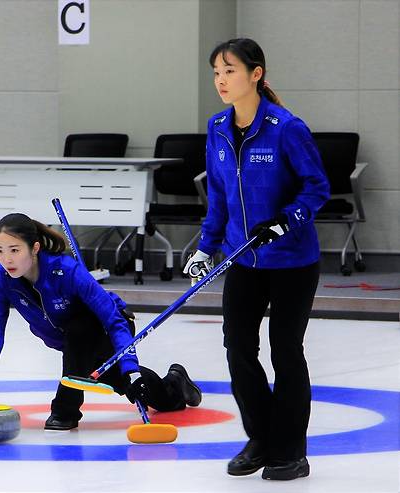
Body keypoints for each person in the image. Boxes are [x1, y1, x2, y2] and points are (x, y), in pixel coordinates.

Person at [183, 38, 329, 480]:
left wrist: (286, 221)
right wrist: (206, 247)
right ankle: (261, 438)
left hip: (292, 262)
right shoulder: (217, 128)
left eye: (230, 71)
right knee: (238, 348)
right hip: (243, 260)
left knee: (286, 351)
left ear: (256, 74)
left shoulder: (287, 128)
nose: (221, 80)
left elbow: (317, 187)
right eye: (216, 72)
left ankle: (291, 451)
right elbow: (219, 197)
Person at [0, 213, 202, 431]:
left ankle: (65, 411)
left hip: (109, 329)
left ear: (34, 248)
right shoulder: (1, 277)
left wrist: (130, 365)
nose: (7, 259)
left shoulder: (66, 270)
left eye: (14, 250)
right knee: (125, 382)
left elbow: (113, 319)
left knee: (80, 331)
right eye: (0, 250)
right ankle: (174, 386)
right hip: (73, 345)